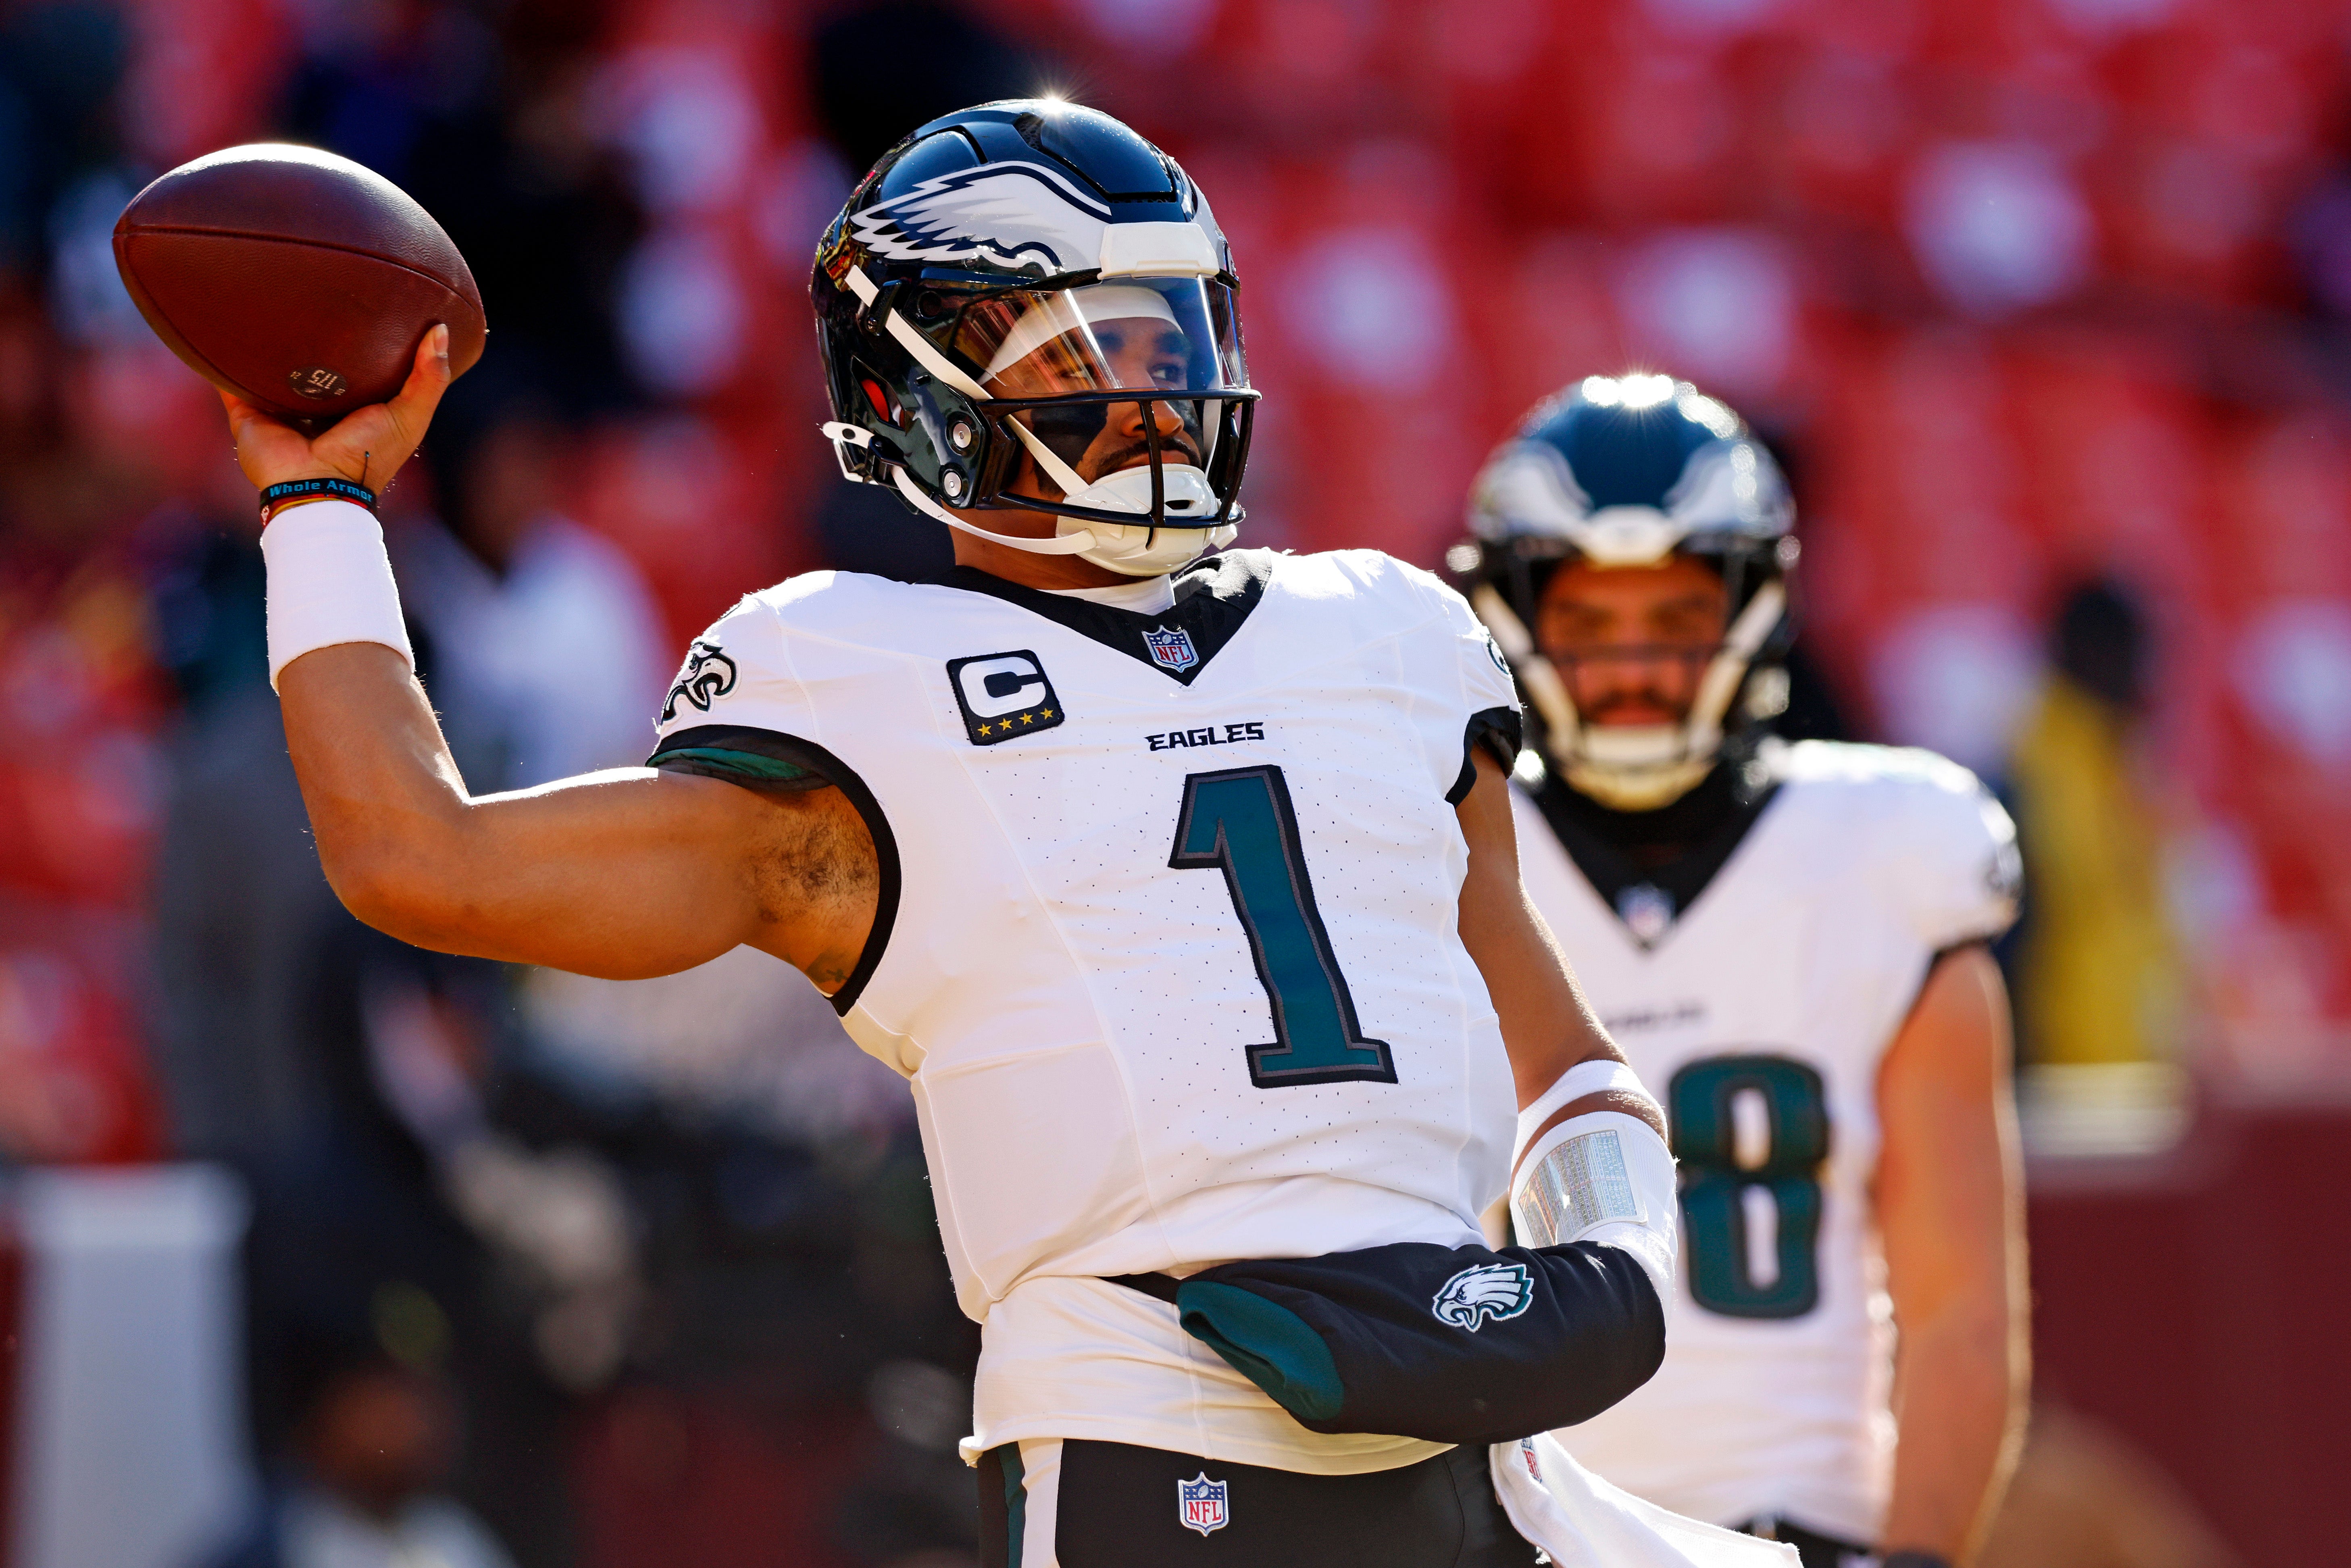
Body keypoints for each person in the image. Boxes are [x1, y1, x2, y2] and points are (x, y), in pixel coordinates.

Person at [214, 102, 1788, 1568]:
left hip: (1477, 1450)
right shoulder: (860, 686)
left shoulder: (1390, 633)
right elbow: (418, 858)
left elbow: (1560, 1056)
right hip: (1165, 1456)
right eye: (1078, 349)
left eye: (1165, 333)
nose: (1147, 390)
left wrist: (1616, 1258)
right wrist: (322, 511)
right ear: (912, 396)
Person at [1457, 375, 2029, 1568]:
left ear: (1752, 606)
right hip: (1526, 1535)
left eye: (1673, 618)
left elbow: (1963, 1316)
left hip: (1800, 1531)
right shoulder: (1443, 855)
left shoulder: (1886, 852)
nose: (1634, 664)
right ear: (1514, 614)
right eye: (1591, 621)